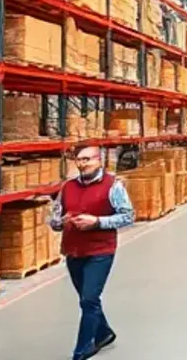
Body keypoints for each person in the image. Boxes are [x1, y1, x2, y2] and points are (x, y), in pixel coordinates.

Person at [49, 146, 135, 360]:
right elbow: (55, 220)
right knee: (88, 300)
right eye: (79, 159)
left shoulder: (113, 186)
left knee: (89, 299)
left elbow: (128, 216)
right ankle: (104, 333)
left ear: (99, 160)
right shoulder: (67, 187)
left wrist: (97, 222)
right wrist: (60, 222)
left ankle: (82, 350)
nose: (82, 163)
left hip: (101, 250)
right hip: (73, 251)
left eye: (87, 159)